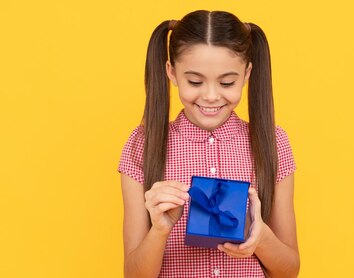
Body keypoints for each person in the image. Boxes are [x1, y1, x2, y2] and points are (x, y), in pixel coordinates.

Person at [117, 10, 299, 277]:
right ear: (171, 72)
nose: (211, 96)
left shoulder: (274, 143)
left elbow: (289, 270)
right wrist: (159, 230)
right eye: (195, 81)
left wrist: (260, 238)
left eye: (227, 82)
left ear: (247, 73)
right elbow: (133, 274)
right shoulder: (141, 146)